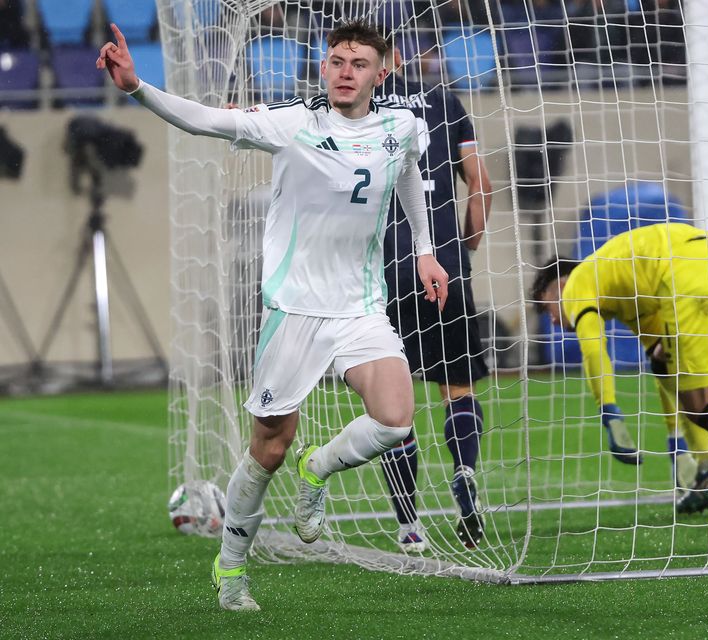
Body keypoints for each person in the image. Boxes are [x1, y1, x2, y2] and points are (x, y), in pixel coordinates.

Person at [97, 21, 449, 611]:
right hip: (294, 310)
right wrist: (138, 87)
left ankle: (320, 470)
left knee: (394, 420)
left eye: (357, 63)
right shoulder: (294, 124)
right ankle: (231, 567)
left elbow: (410, 174)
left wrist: (424, 249)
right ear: (324, 67)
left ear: (380, 73)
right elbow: (207, 119)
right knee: (269, 446)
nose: (343, 71)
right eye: (335, 60)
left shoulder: (402, 127)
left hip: (360, 307)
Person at [530, 222, 708, 518]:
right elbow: (663, 366)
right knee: (683, 379)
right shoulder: (623, 287)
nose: (553, 321)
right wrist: (675, 439)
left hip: (687, 280)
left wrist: (610, 413)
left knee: (704, 406)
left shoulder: (578, 283)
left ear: (560, 287)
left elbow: (594, 350)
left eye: (547, 309)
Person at [376, 38, 493, 551]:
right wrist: (464, 245)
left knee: (390, 405)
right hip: (445, 265)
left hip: (383, 267)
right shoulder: (446, 100)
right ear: (406, 55)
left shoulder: (360, 103)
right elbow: (481, 184)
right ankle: (465, 476)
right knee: (459, 387)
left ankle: (408, 524)